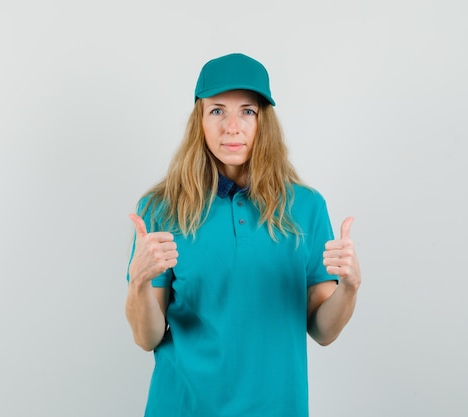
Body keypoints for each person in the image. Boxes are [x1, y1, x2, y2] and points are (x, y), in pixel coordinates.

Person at [124, 52, 361, 417]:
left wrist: (349, 287)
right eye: (217, 110)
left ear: (264, 121)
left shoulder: (306, 207)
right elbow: (147, 338)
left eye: (247, 111)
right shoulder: (160, 208)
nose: (232, 127)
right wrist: (138, 284)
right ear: (199, 121)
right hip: (182, 407)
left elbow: (323, 331)